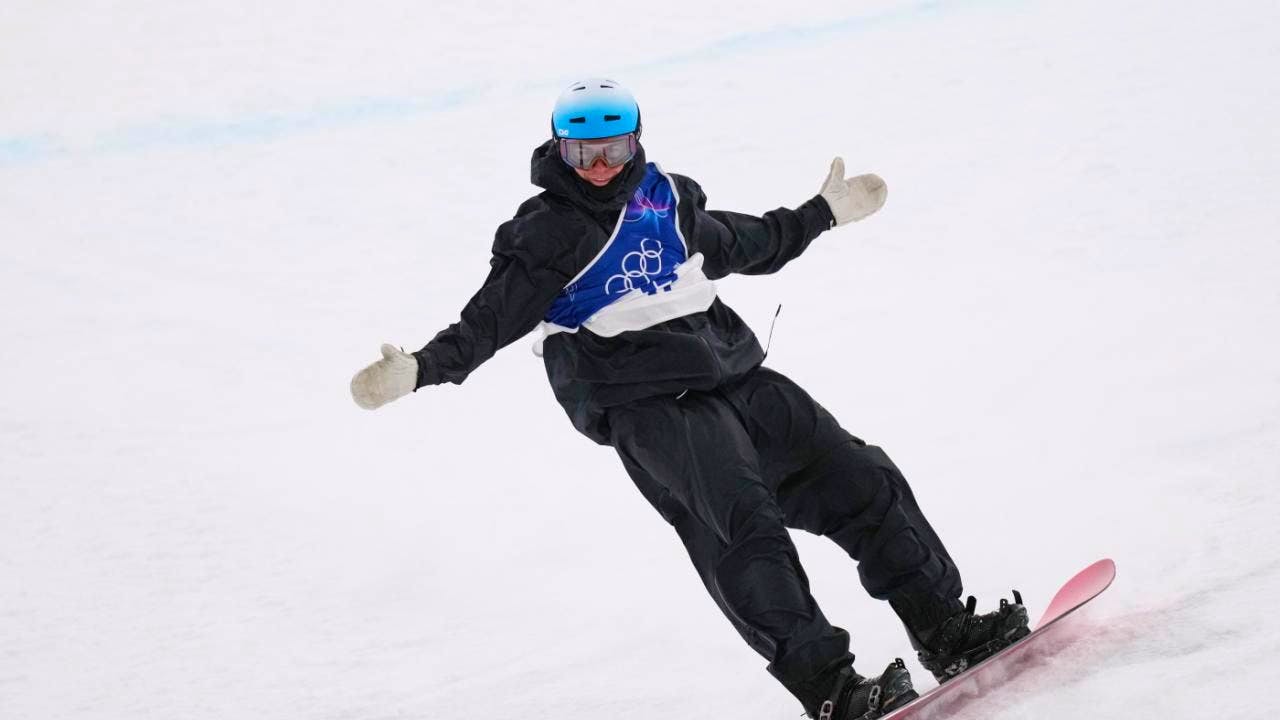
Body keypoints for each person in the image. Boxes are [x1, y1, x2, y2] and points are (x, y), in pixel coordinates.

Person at [350, 78, 1030, 719]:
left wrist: (821, 213)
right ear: (560, 148)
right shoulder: (546, 233)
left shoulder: (665, 200)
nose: (597, 164)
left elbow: (746, 243)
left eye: (612, 147)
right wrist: (419, 368)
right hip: (651, 408)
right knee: (745, 533)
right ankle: (831, 690)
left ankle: (947, 629)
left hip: (736, 376)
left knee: (863, 478)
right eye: (582, 150)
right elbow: (489, 321)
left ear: (636, 140)